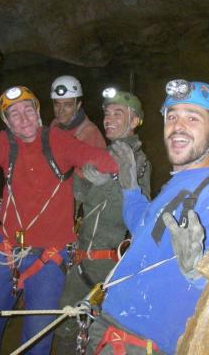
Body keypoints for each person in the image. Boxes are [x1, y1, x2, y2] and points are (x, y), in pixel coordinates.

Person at [0, 85, 118, 355]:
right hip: (7, 251)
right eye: (14, 114)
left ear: (38, 113)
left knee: (37, 339)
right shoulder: (6, 143)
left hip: (49, 258)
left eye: (28, 110)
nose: (23, 118)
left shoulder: (58, 141)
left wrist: (118, 164)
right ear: (7, 122)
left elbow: (97, 157)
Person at [85, 79, 209, 355]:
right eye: (172, 117)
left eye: (193, 118)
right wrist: (131, 187)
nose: (178, 127)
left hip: (141, 341)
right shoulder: (178, 184)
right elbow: (145, 230)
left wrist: (197, 272)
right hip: (111, 326)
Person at [54, 88, 151, 353]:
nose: (108, 118)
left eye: (118, 113)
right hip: (82, 261)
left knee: (97, 334)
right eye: (107, 113)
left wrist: (119, 179)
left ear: (134, 121)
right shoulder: (101, 156)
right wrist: (82, 176)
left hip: (108, 266)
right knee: (65, 326)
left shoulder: (138, 162)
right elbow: (80, 198)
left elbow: (141, 219)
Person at [50, 75, 105, 149]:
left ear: (78, 105)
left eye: (67, 105)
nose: (61, 111)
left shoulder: (90, 134)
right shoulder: (54, 124)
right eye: (57, 104)